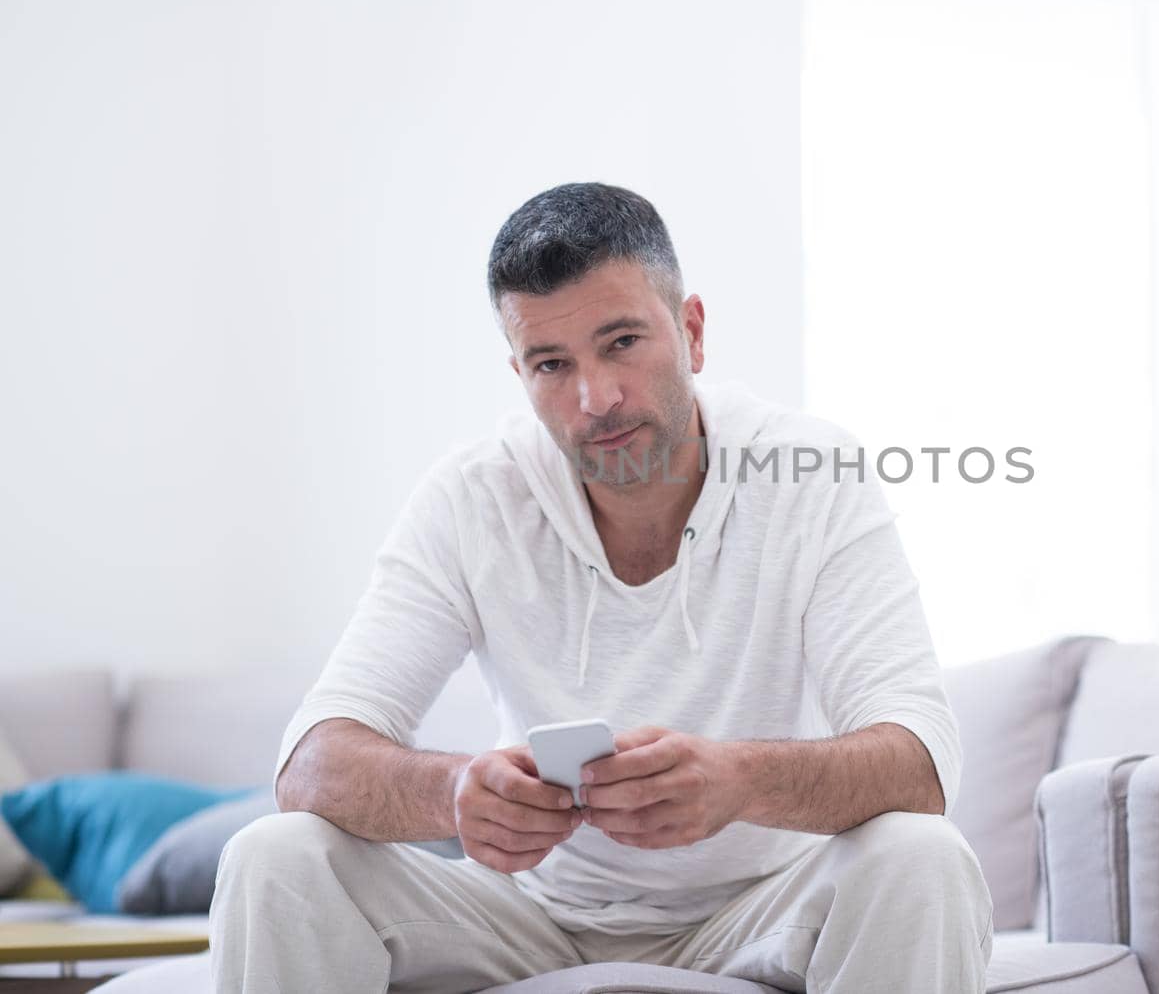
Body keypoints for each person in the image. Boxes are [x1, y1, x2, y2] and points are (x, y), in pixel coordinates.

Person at [210, 182, 993, 993]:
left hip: (764, 909)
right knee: (274, 855)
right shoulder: (473, 498)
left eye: (622, 342)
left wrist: (738, 781)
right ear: (519, 372)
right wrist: (454, 794)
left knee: (921, 855)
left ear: (690, 332)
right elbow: (311, 766)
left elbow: (920, 765)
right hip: (532, 918)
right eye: (553, 364)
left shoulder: (812, 473)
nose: (597, 399)